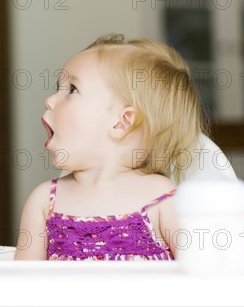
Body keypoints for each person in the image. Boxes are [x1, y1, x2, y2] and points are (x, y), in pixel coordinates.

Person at [15, 34, 206, 260]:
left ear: (121, 122)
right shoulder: (44, 201)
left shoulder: (162, 199)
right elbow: (23, 285)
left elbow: (200, 281)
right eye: (59, 87)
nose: (49, 100)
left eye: (72, 89)